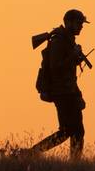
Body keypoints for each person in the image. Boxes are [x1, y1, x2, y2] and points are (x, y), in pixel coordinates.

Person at [29, 9, 90, 160]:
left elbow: (67, 70)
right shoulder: (58, 41)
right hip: (62, 92)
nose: (81, 26)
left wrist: (75, 58)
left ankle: (74, 164)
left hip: (69, 91)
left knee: (74, 131)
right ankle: (31, 153)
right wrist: (73, 55)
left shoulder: (67, 40)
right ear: (68, 22)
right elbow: (56, 67)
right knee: (68, 131)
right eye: (78, 23)